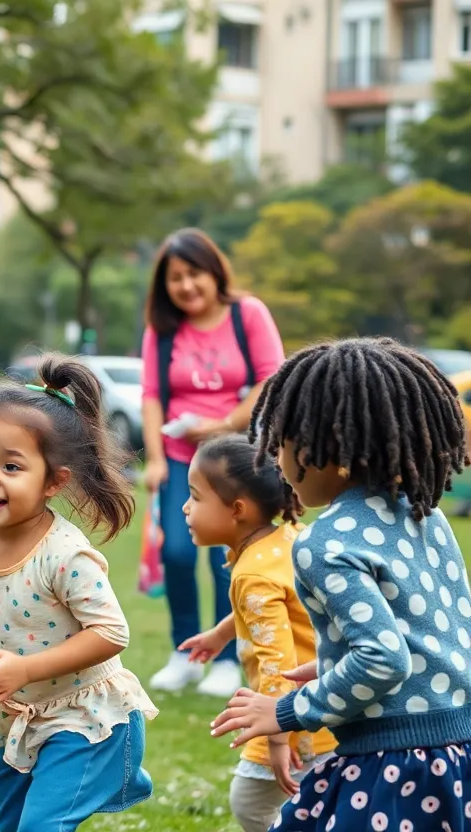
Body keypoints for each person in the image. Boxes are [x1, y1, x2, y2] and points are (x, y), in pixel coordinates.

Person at [212, 338, 471, 832]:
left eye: (280, 442)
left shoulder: (324, 542)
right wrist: (333, 664)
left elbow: (383, 659)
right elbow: (439, 636)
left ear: (318, 448)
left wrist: (287, 710)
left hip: (394, 767)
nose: (278, 461)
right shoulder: (425, 515)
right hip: (456, 754)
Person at [0, 354, 158, 832]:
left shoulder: (64, 554)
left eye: (11, 466)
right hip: (20, 714)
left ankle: (119, 766)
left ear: (53, 481)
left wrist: (24, 668)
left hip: (86, 719)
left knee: (40, 827)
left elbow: (110, 633)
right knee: (14, 825)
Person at [140, 228, 286, 697]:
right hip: (183, 460)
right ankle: (184, 653)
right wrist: (157, 459)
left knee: (234, 556)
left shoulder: (249, 314)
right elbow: (150, 396)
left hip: (239, 458)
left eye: (193, 274)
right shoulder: (161, 331)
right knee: (178, 553)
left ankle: (227, 657)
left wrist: (224, 421)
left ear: (214, 271)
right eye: (175, 278)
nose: (186, 286)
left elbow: (272, 377)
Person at [177, 435, 336, 832]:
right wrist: (220, 633)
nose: (185, 508)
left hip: (291, 721)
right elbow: (278, 608)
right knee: (315, 804)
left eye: (195, 497)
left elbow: (276, 661)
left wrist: (278, 738)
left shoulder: (253, 574)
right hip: (328, 705)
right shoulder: (287, 538)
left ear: (237, 510)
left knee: (250, 803)